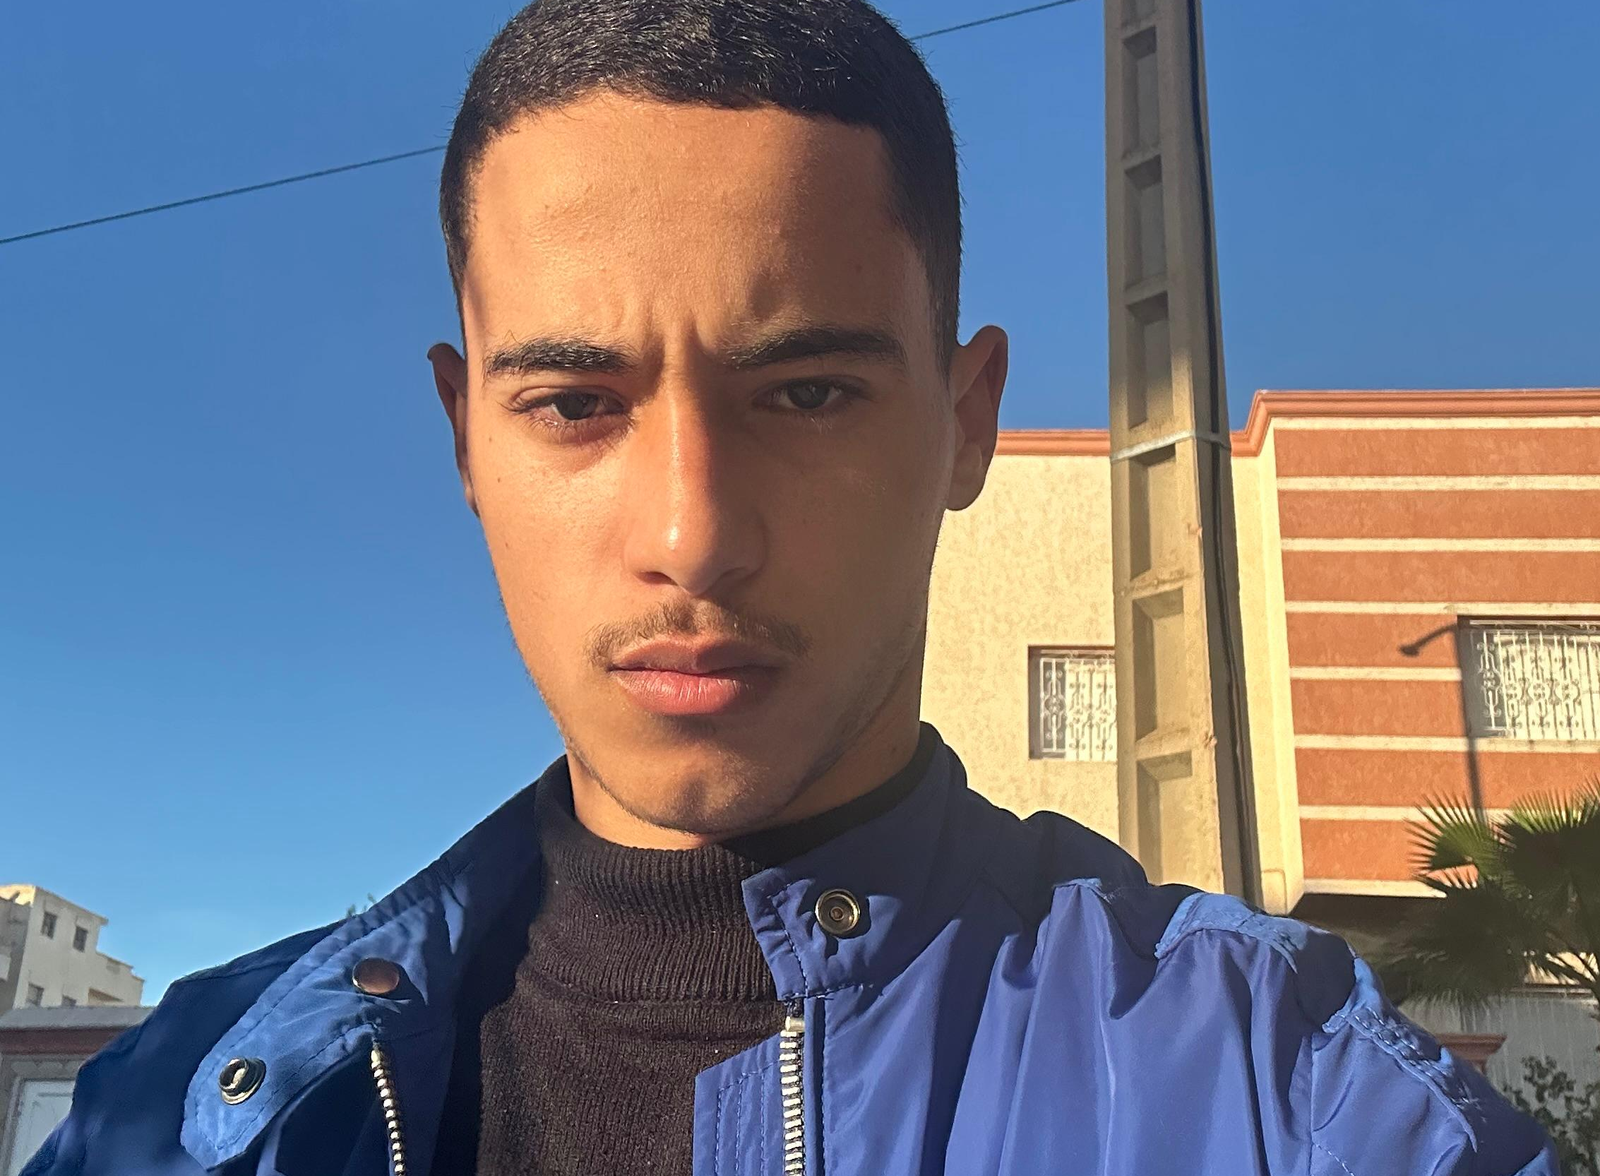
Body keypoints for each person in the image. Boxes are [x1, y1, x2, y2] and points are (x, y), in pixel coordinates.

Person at [24, 1, 1556, 1173]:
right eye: (575, 403)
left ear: (965, 423)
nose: (692, 535)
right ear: (466, 437)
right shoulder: (194, 1102)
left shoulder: (1290, 1098)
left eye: (808, 394)